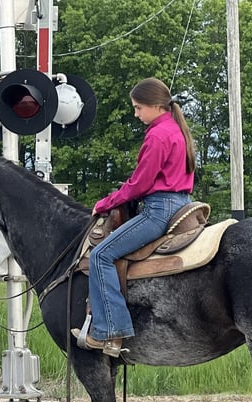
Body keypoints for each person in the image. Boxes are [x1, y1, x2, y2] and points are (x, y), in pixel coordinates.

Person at [72, 77, 196, 357]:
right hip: (181, 204)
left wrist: (106, 203)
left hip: (159, 210)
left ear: (155, 105)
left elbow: (139, 184)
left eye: (138, 108)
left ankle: (110, 331)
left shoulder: (157, 135)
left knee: (101, 255)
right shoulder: (177, 130)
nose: (136, 114)